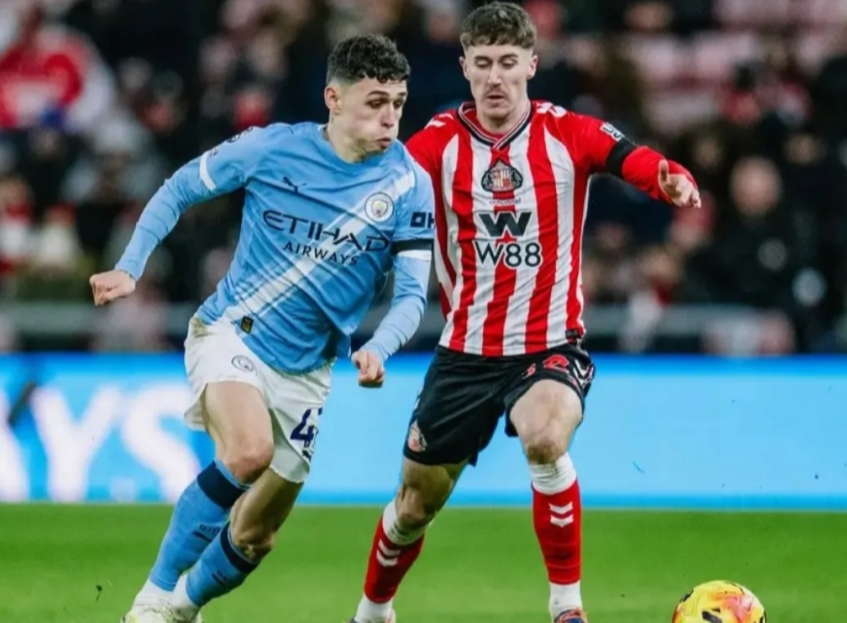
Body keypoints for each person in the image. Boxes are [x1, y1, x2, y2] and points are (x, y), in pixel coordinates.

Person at [346, 3, 701, 623]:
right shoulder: (436, 143)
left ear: (531, 65)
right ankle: (374, 611)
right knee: (413, 507)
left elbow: (631, 156)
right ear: (464, 67)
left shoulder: (566, 132)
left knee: (545, 437)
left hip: (550, 345)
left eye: (508, 63)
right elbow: (377, 190)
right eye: (482, 63)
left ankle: (567, 608)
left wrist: (667, 177)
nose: (495, 78)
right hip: (464, 356)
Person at [89, 34, 435, 623]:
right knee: (248, 452)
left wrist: (380, 345)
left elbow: (411, 295)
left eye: (398, 104)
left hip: (310, 372)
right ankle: (151, 600)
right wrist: (130, 266)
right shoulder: (272, 149)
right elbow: (180, 187)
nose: (390, 118)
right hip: (234, 332)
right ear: (333, 98)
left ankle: (182, 609)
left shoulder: (408, 185)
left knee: (255, 536)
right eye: (376, 102)